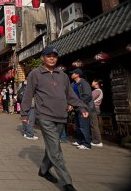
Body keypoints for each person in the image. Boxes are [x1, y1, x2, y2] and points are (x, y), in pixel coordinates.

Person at [20, 46, 89, 191]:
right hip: (45, 116)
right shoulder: (35, 74)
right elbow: (28, 95)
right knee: (56, 150)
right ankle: (67, 183)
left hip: (61, 116)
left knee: (53, 147)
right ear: (43, 58)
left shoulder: (62, 75)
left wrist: (81, 107)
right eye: (48, 55)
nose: (52, 58)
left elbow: (71, 95)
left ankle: (44, 170)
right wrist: (24, 114)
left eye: (54, 56)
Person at [70, 68, 94, 150]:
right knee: (78, 125)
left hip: (84, 107)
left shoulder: (84, 83)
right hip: (77, 108)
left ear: (77, 74)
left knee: (84, 125)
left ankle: (87, 143)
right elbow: (71, 96)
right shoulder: (73, 84)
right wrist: (71, 104)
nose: (71, 74)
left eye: (73, 73)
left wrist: (80, 104)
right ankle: (79, 141)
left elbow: (87, 96)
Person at [90, 78, 104, 147]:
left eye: (93, 81)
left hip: (94, 108)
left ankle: (98, 141)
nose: (92, 82)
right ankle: (95, 140)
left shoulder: (97, 91)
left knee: (94, 125)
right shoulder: (98, 91)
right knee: (93, 125)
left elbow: (90, 99)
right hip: (95, 108)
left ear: (96, 83)